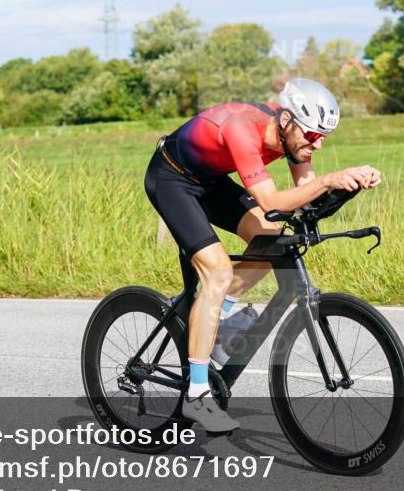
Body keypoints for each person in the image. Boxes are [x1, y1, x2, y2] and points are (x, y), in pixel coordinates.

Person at [143, 78, 382, 432]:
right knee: (218, 272)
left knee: (271, 238)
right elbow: (271, 202)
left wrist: (351, 182)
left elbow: (306, 193)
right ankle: (196, 394)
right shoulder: (242, 128)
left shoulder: (293, 143)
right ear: (285, 121)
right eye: (312, 135)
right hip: (171, 180)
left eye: (324, 137)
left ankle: (216, 318)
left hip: (209, 182)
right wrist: (329, 179)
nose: (317, 144)